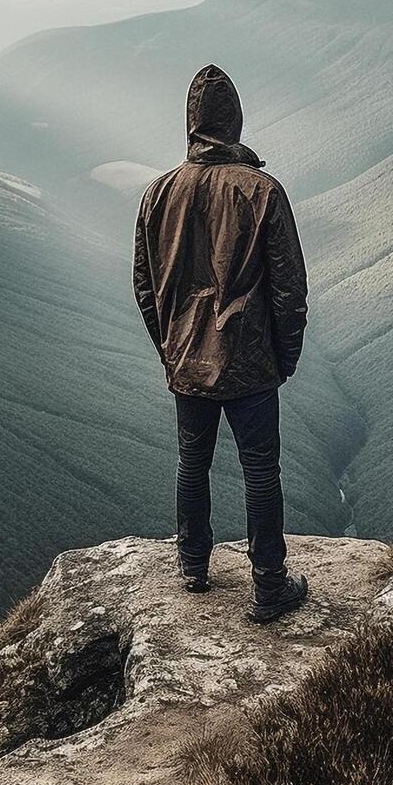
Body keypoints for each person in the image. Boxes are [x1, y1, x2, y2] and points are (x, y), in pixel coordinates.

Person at [132, 64, 310, 623]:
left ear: (190, 124)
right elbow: (289, 289)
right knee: (260, 470)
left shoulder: (157, 194)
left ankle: (192, 563)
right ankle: (269, 584)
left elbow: (145, 284)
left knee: (192, 461)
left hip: (186, 359)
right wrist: (285, 357)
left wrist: (171, 347)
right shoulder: (262, 192)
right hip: (251, 363)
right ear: (234, 121)